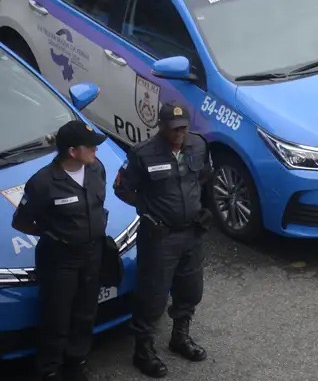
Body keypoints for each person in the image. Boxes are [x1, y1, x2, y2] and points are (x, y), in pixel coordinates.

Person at [115, 103, 213, 378]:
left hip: (191, 233)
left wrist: (201, 209)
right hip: (160, 237)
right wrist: (149, 209)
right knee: (153, 296)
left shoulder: (199, 146)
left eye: (183, 128)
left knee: (190, 289)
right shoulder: (142, 154)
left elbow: (204, 177)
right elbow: (122, 188)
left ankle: (180, 337)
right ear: (161, 126)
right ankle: (143, 351)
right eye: (174, 129)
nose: (179, 133)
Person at [12, 121, 108, 381]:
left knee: (85, 312)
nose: (96, 150)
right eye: (91, 147)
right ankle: (50, 370)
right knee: (57, 317)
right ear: (72, 151)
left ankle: (76, 363)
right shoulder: (43, 182)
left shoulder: (96, 169)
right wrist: (55, 234)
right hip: (60, 260)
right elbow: (20, 221)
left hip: (92, 254)